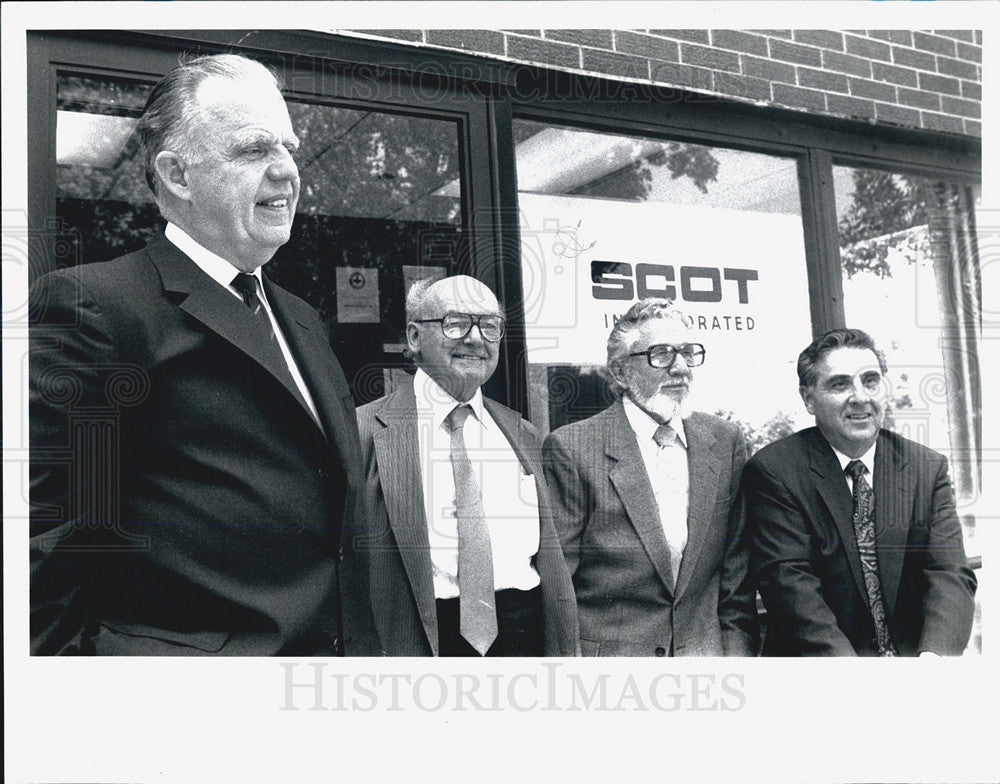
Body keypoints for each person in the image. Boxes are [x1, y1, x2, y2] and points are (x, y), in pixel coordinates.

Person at [29, 53, 364, 655]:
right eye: (255, 149)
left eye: (288, 147)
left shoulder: (305, 321)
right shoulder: (93, 308)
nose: (289, 171)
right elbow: (45, 539)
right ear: (178, 175)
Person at [345, 275, 578, 656]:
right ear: (415, 336)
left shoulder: (521, 432)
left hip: (524, 637)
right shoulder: (363, 432)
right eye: (455, 323)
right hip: (419, 642)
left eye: (489, 326)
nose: (475, 338)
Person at [542, 299, 758, 656]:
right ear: (620, 372)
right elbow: (558, 587)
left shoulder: (723, 441)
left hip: (709, 666)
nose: (681, 369)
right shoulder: (572, 448)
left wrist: (737, 660)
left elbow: (737, 578)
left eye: (688, 354)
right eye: (661, 355)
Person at [745, 328, 976, 656]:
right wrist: (858, 679)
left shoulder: (926, 467)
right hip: (824, 672)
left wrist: (933, 661)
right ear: (808, 398)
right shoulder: (775, 471)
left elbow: (948, 572)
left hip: (917, 666)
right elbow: (791, 587)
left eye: (870, 380)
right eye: (840, 384)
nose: (861, 397)